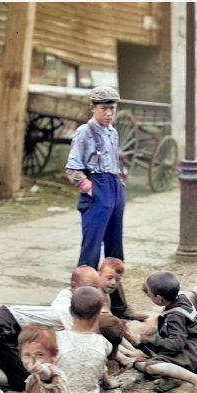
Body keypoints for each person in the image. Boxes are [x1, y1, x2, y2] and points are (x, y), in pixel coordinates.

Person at [0, 266, 101, 391]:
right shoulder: (68, 313)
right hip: (2, 326)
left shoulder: (66, 294)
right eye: (90, 287)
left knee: (17, 364)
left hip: (4, 320)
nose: (93, 292)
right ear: (73, 285)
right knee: (26, 380)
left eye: (96, 287)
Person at [65, 86, 127, 270]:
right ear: (93, 108)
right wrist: (91, 190)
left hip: (114, 189)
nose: (108, 113)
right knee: (91, 249)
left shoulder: (112, 132)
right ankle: (85, 293)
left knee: (115, 248)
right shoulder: (84, 132)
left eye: (112, 109)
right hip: (98, 191)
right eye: (103, 109)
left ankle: (113, 295)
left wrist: (120, 188)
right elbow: (72, 169)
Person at [132, 271, 197, 393]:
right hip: (195, 351)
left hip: (189, 357)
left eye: (149, 294)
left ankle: (196, 380)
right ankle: (175, 379)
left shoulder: (175, 316)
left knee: (149, 366)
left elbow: (175, 344)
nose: (148, 295)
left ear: (159, 299)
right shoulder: (182, 301)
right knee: (149, 356)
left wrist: (147, 340)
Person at [57, 287, 118, 393]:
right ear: (97, 315)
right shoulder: (103, 343)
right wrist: (108, 383)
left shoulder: (57, 339)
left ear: (70, 312)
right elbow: (102, 371)